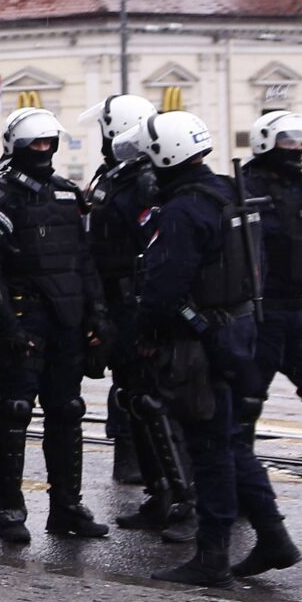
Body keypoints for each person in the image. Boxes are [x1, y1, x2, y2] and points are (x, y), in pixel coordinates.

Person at [137, 111, 298, 586]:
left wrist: (147, 332)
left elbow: (165, 288)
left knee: (209, 447)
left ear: (165, 155)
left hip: (202, 340)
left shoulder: (185, 209)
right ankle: (272, 536)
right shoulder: (233, 190)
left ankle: (212, 555)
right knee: (232, 440)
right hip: (242, 329)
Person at [0, 108, 111, 544]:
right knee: (15, 411)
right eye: (36, 144)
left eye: (50, 143)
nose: (44, 151)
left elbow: (85, 262)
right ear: (17, 146)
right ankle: (9, 506)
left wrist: (97, 314)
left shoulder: (68, 195)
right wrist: (8, 323)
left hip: (67, 320)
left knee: (67, 412)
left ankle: (66, 505)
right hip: (23, 318)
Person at [86, 96, 189, 537]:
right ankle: (158, 493)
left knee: (155, 402)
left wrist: (148, 316)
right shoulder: (117, 176)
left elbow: (150, 250)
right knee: (134, 400)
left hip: (135, 304)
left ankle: (183, 498)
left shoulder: (145, 181)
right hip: (116, 304)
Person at [239, 112, 302, 510]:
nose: (297, 148)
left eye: (301, 141)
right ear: (267, 142)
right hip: (264, 313)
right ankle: (240, 489)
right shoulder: (248, 188)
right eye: (288, 141)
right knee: (246, 402)